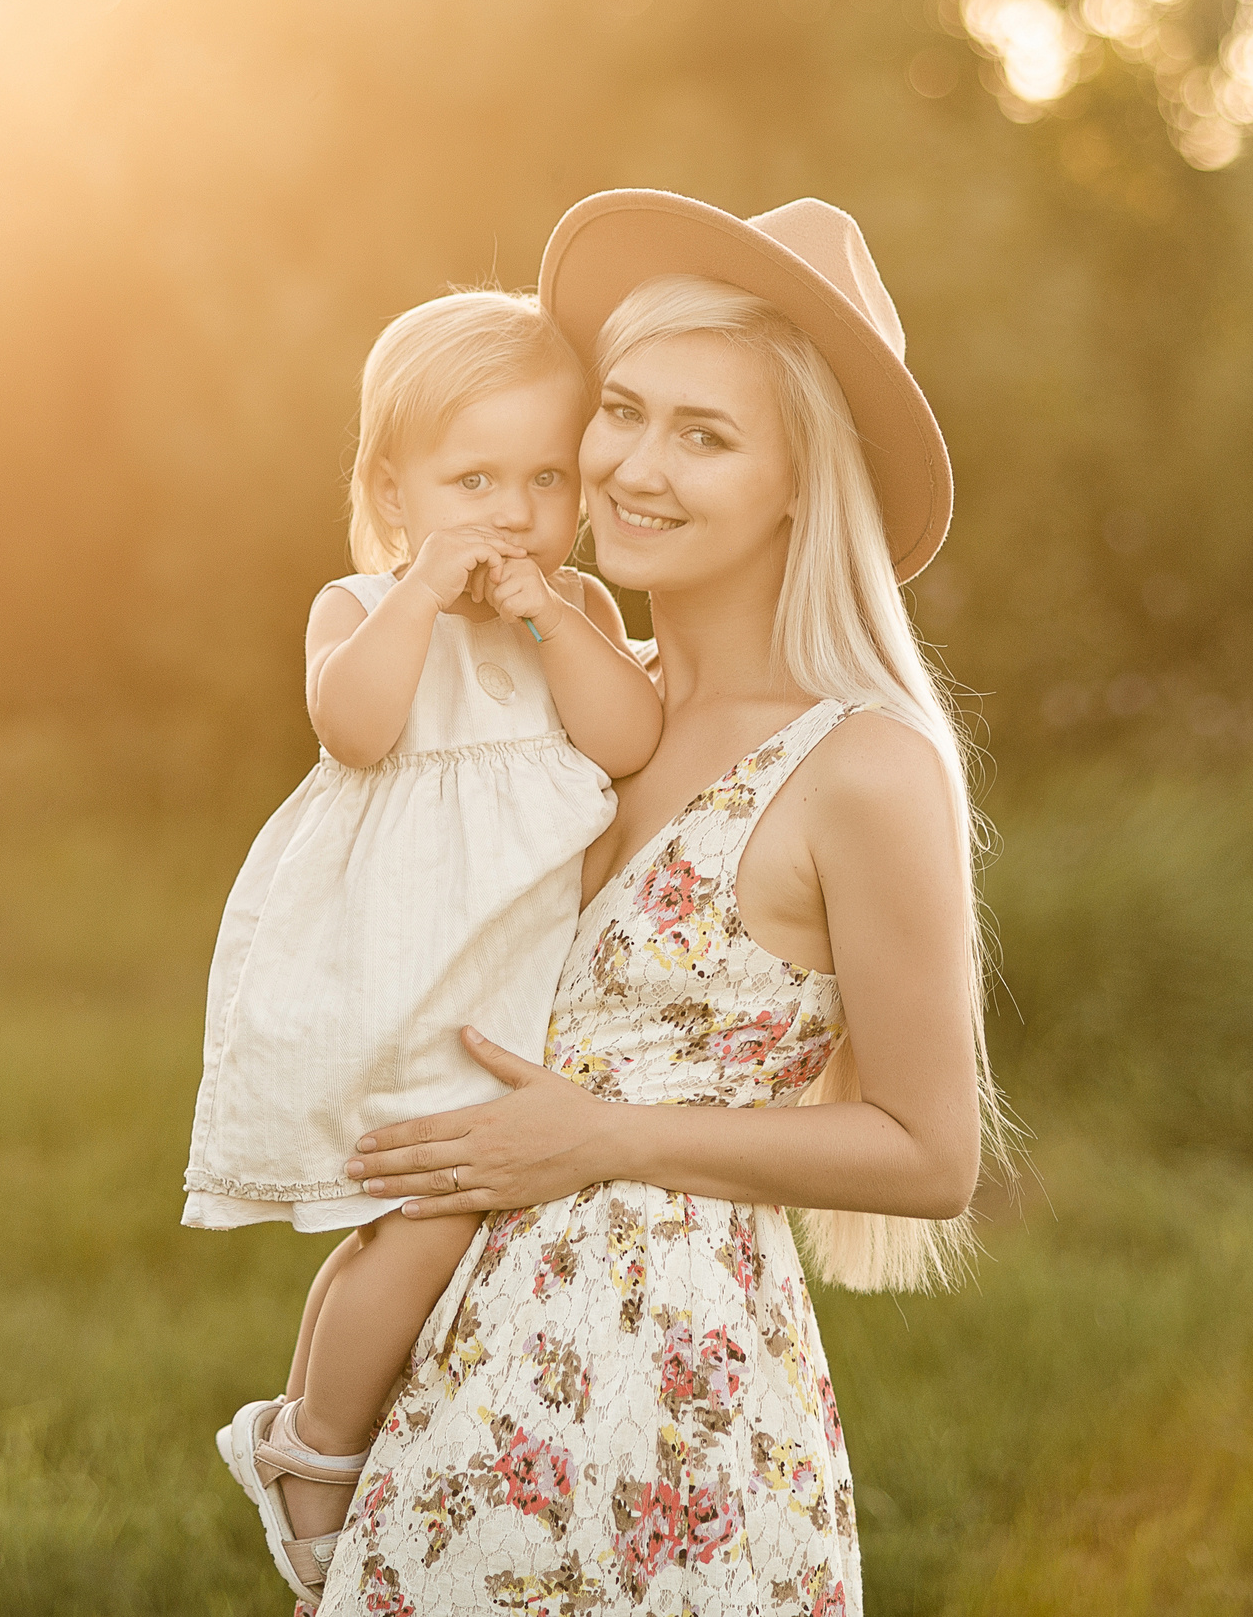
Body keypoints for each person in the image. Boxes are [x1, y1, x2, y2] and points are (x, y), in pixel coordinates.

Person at [311, 192, 1009, 1616]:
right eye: (621, 411)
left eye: (705, 434)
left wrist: (603, 1134)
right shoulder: (550, 699)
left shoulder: (859, 761)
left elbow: (934, 1153)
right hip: (455, 1405)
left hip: (681, 1430)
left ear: (802, 483)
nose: (631, 463)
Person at [182, 288, 668, 1606]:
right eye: (472, 480)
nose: (511, 513)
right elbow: (356, 727)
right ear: (391, 486)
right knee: (422, 1210)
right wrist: (415, 593)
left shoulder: (563, 608)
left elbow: (628, 737)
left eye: (544, 478)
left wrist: (550, 615)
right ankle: (316, 1448)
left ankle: (354, 1432)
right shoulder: (356, 604)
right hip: (402, 977)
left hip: (516, 980)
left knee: (440, 1217)